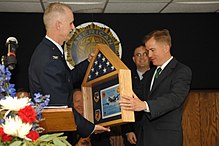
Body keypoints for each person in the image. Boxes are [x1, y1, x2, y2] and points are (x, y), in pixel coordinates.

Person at [28, 2, 110, 139]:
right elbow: (61, 106)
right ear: (59, 25)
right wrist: (90, 128)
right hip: (54, 135)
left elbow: (66, 80)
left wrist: (88, 63)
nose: (73, 27)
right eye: (71, 23)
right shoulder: (48, 58)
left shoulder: (51, 51)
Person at [120, 29, 192, 146]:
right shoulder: (150, 74)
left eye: (152, 50)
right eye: (148, 51)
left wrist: (145, 105)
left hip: (165, 139)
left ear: (166, 48)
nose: (149, 55)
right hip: (144, 137)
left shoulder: (181, 71)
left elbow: (175, 98)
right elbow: (137, 96)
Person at [122, 44, 150, 146]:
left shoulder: (157, 77)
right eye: (138, 55)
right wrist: (128, 131)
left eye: (145, 54)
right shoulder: (125, 78)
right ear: (134, 59)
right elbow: (123, 105)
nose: (142, 58)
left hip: (153, 130)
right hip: (133, 132)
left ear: (150, 56)